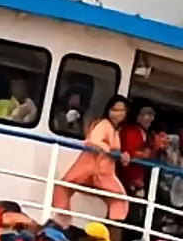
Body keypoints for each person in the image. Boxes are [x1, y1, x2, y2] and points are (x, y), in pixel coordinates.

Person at [51, 95, 132, 227]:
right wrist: (112, 152)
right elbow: (94, 141)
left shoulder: (115, 130)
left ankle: (109, 229)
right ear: (108, 110)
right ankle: (62, 223)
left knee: (119, 200)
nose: (118, 114)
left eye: (121, 110)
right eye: (114, 109)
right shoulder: (104, 124)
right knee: (64, 188)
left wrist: (123, 157)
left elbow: (117, 152)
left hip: (102, 172)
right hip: (91, 170)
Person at [119, 103, 157, 205]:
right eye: (146, 114)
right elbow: (130, 152)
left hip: (140, 180)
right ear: (137, 116)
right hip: (126, 177)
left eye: (151, 114)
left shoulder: (149, 134)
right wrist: (146, 153)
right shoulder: (130, 131)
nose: (149, 118)